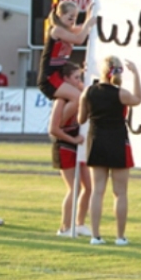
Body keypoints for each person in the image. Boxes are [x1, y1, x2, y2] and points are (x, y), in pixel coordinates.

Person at [79, 56, 141, 246]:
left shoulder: (88, 92)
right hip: (117, 142)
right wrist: (137, 74)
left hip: (96, 140)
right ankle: (120, 237)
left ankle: (95, 236)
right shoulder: (121, 93)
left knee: (97, 191)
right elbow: (137, 99)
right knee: (120, 192)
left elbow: (81, 119)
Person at [49, 62, 92, 237]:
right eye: (75, 78)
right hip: (64, 145)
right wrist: (72, 139)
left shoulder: (80, 96)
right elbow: (53, 129)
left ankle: (79, 224)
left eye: (79, 77)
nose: (78, 81)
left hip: (78, 145)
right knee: (73, 188)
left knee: (88, 187)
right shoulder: (61, 100)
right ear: (65, 80)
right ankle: (64, 227)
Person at [37, 0, 95, 119]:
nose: (73, 21)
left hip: (60, 74)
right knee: (78, 97)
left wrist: (89, 15)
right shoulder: (57, 30)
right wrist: (88, 23)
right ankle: (59, 126)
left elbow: (83, 29)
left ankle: (67, 124)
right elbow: (79, 39)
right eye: (70, 18)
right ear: (60, 16)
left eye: (75, 17)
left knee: (86, 93)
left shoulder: (69, 30)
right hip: (49, 77)